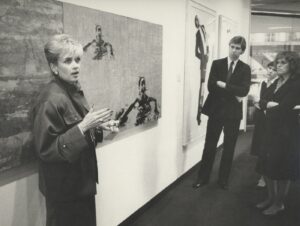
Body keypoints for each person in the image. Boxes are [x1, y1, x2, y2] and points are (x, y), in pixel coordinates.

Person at [32, 34, 117, 226]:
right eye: (68, 61)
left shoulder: (72, 89)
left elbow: (77, 127)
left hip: (81, 183)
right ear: (54, 67)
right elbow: (46, 150)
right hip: (64, 191)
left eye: (77, 60)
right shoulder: (50, 99)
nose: (75, 65)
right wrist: (84, 126)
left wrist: (100, 126)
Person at [193, 36, 251, 190]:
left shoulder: (245, 68)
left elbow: (244, 91)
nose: (234, 50)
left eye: (238, 48)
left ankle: (223, 180)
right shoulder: (217, 64)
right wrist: (233, 90)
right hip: (216, 111)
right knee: (210, 145)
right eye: (232, 46)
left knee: (229, 147)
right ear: (229, 46)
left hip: (233, 114)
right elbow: (211, 86)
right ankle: (202, 178)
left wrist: (224, 84)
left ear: (242, 51)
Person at [255, 51, 300, 215]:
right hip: (270, 128)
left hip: (287, 132)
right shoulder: (276, 82)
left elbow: (285, 108)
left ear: (292, 65)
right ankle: (271, 198)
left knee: (282, 169)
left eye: (283, 63)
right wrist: (268, 104)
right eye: (277, 62)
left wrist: (267, 105)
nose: (278, 65)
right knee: (266, 165)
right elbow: (262, 100)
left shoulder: (296, 84)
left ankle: (279, 202)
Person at [250, 61, 278, 188]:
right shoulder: (263, 83)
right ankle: (262, 175)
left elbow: (273, 102)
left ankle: (266, 176)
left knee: (268, 147)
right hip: (261, 117)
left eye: (273, 69)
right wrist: (260, 103)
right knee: (260, 146)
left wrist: (261, 103)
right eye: (269, 69)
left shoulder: (278, 84)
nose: (270, 71)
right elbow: (258, 100)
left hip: (271, 118)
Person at [195, 15, 209, 125]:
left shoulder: (204, 32)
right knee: (202, 87)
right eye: (195, 21)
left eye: (197, 20)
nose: (196, 22)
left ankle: (200, 113)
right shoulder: (198, 34)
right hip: (202, 65)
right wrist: (202, 57)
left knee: (203, 87)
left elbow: (207, 46)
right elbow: (196, 52)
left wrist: (206, 55)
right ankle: (198, 114)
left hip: (205, 62)